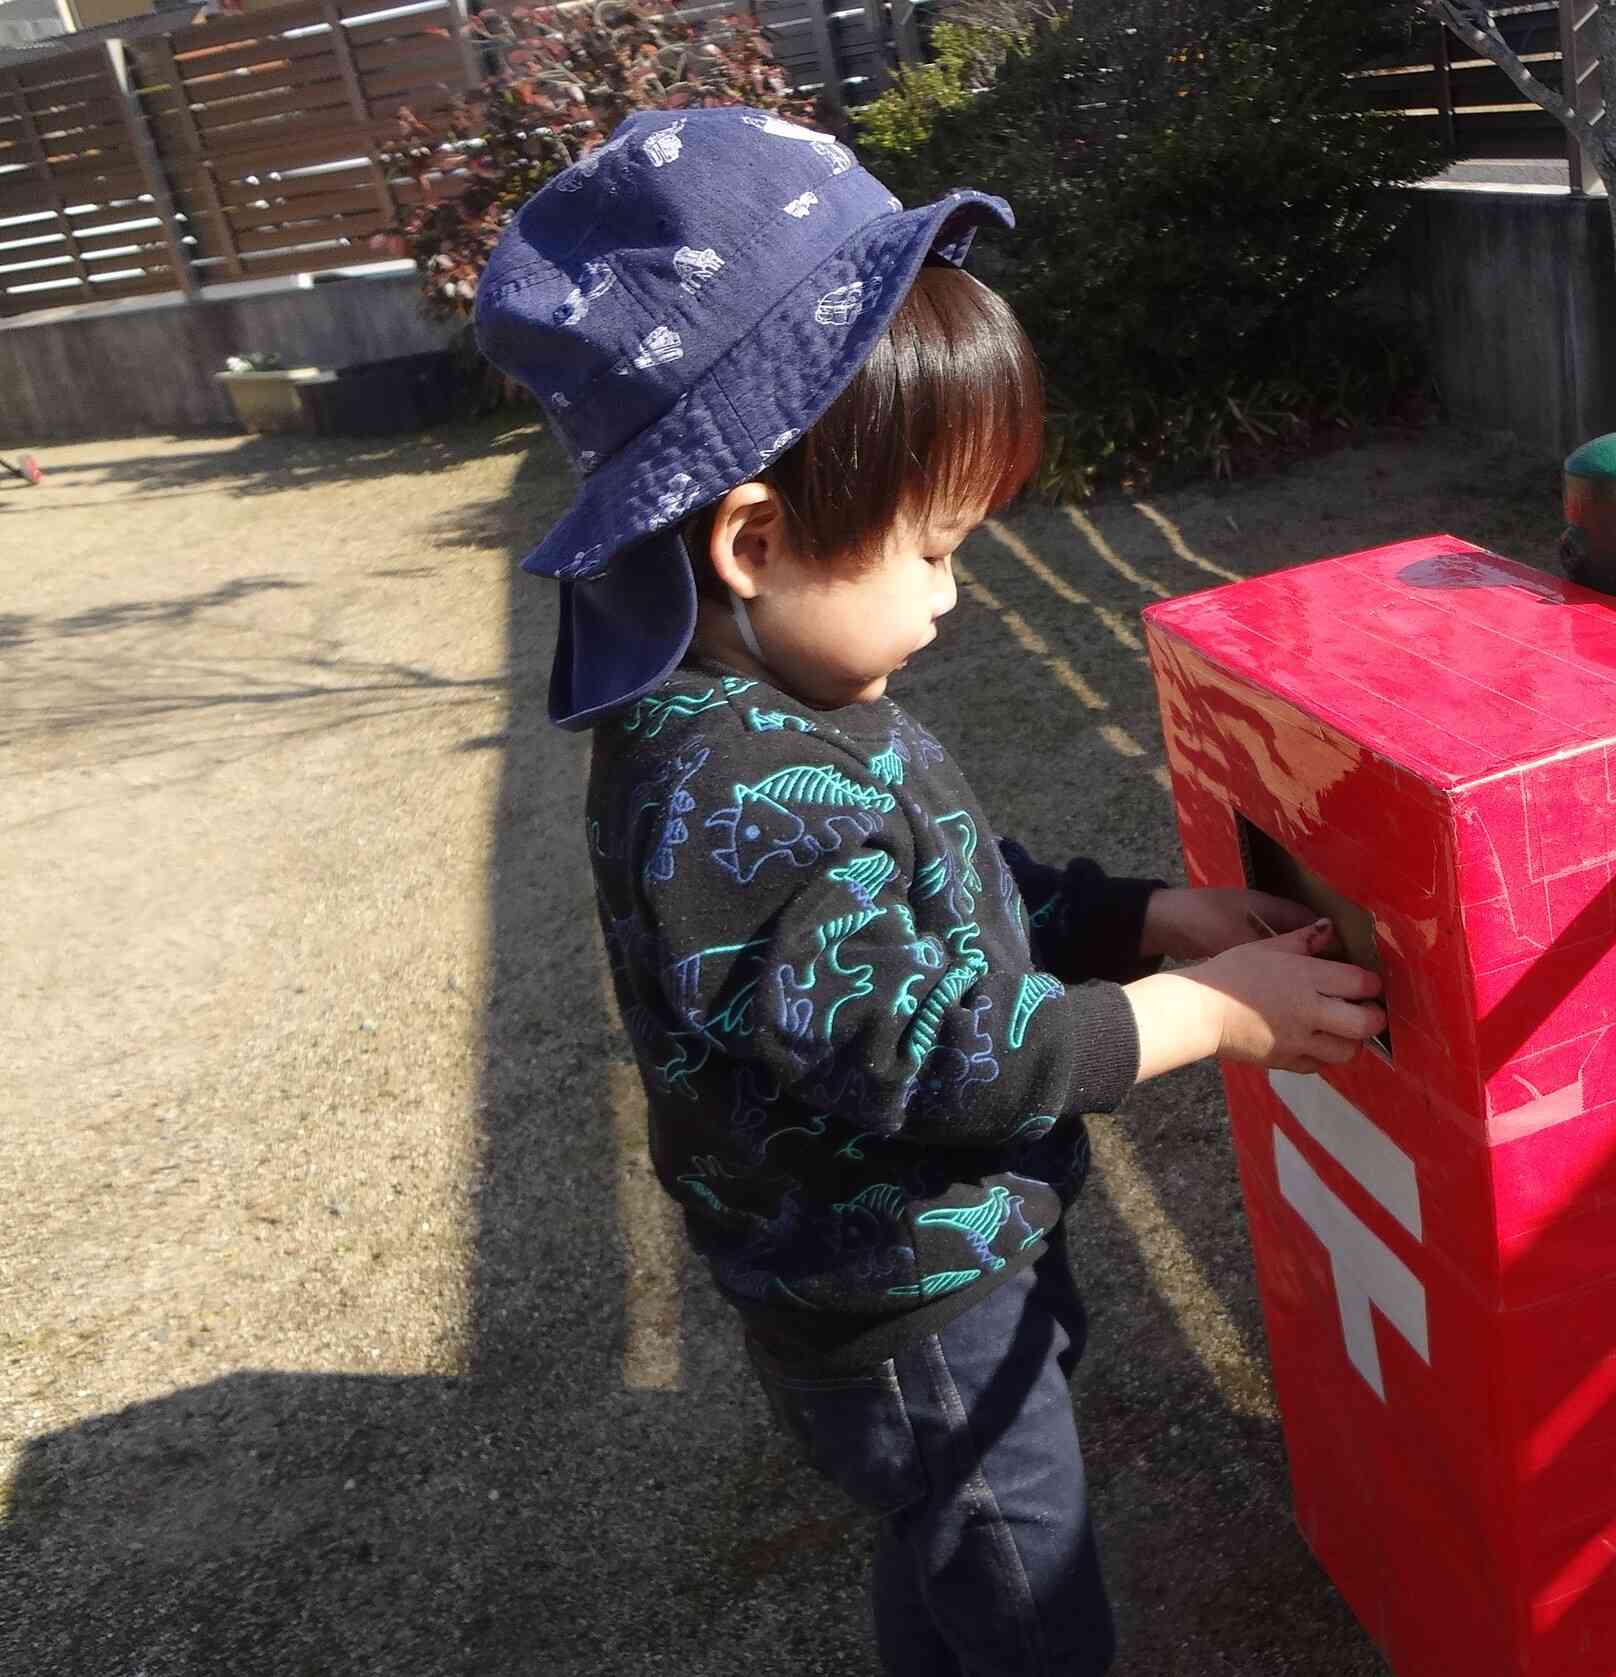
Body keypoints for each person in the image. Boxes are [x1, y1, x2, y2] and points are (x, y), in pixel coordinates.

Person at [472, 107, 1386, 1676]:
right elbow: (925, 1045)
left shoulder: (784, 705)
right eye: (937, 547)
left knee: (954, 1540)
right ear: (754, 538)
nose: (956, 599)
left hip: (939, 1266)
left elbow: (940, 900)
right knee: (1026, 1588)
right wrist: (1207, 1012)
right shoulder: (724, 781)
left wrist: (1136, 915)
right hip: (895, 1304)